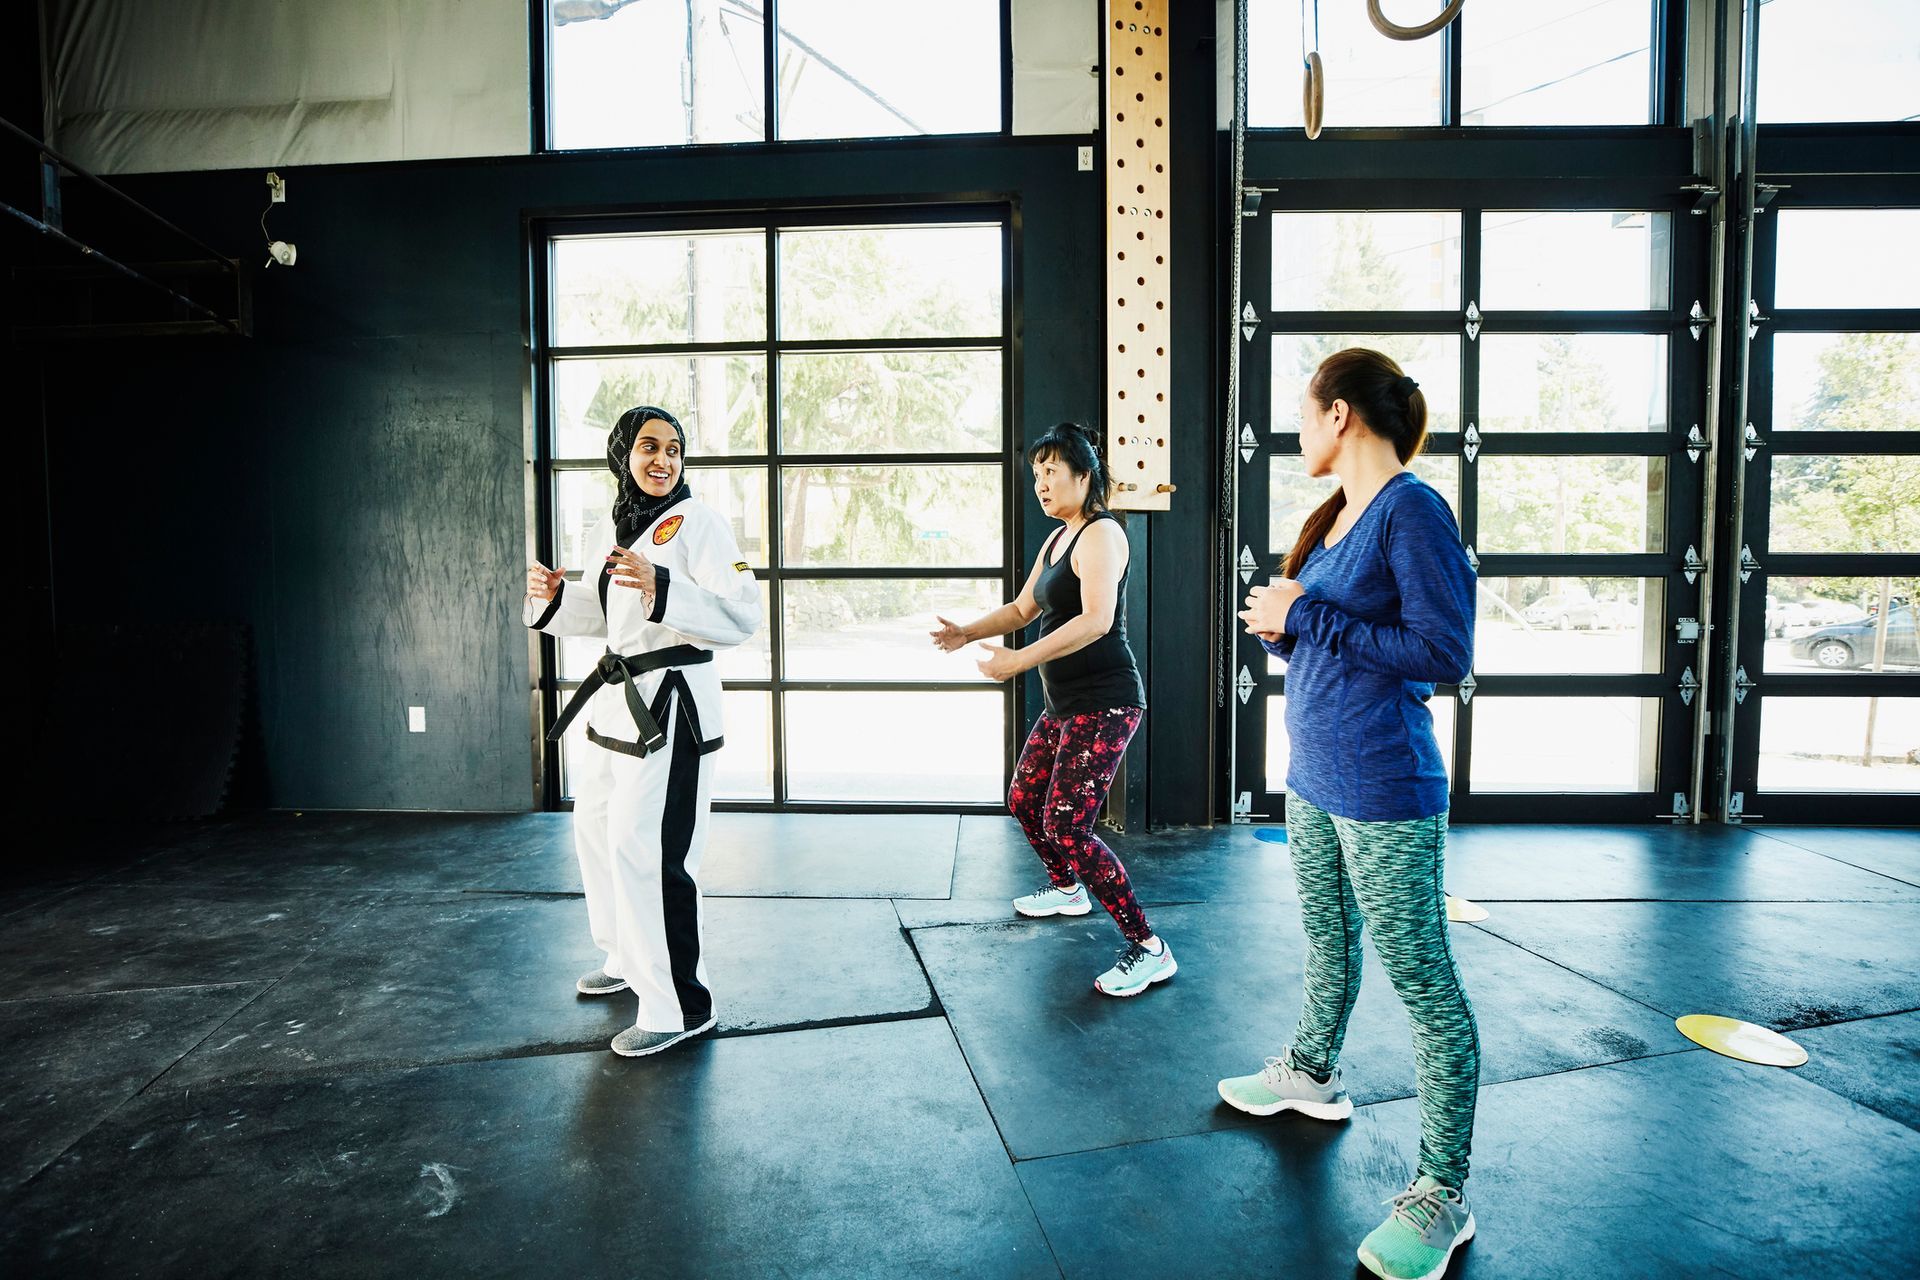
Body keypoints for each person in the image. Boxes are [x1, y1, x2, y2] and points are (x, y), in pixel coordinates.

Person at [1216, 349, 1480, 1280]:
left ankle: (1442, 1192)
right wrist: (1288, 626)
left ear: (1340, 418)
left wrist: (1307, 617)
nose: (1297, 428)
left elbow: (1442, 652)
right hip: (1317, 778)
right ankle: (1314, 1074)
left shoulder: (1413, 511)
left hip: (1386, 789)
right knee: (1328, 942)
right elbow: (1349, 645)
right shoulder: (1342, 521)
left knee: (1423, 981)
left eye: (1304, 409)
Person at [525, 406, 762, 1058]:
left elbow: (745, 615)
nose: (663, 460)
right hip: (616, 705)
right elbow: (609, 619)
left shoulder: (701, 524)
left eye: (675, 449)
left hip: (673, 709)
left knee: (653, 853)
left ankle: (682, 1004)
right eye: (650, 447)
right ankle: (628, 958)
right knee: (599, 836)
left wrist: (666, 588)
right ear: (623, 454)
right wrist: (552, 599)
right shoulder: (617, 524)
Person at [930, 421, 1173, 997]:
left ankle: (1149, 946)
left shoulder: (1101, 535)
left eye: (1052, 472)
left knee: (1066, 824)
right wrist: (967, 632)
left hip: (1106, 701)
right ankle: (1067, 889)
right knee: (1023, 799)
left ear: (1083, 476)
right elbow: (1021, 609)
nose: (1040, 483)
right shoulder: (1057, 538)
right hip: (1066, 702)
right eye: (1036, 472)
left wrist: (1017, 663)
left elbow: (1097, 620)